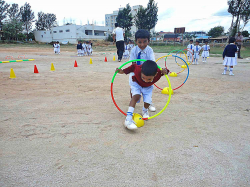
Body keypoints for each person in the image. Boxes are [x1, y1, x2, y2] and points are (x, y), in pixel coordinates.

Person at [115, 60, 169, 130]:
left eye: (149, 79)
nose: (145, 80)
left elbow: (166, 71)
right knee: (136, 97)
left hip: (148, 87)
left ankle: (145, 110)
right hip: (136, 84)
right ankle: (128, 119)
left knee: (148, 101)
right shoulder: (137, 69)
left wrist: (166, 71)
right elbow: (131, 68)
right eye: (143, 77)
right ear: (141, 72)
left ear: (155, 75)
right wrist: (121, 71)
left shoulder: (158, 72)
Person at [129, 29, 156, 112]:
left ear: (149, 41)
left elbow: (152, 62)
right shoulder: (134, 50)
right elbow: (133, 64)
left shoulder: (149, 50)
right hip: (136, 72)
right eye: (139, 42)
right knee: (134, 87)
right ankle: (134, 100)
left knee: (147, 87)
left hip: (146, 72)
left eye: (145, 42)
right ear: (136, 41)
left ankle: (148, 102)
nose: (142, 44)